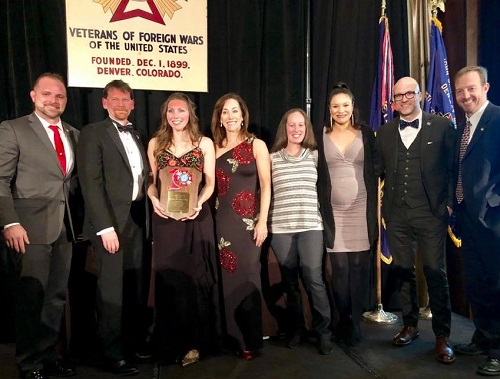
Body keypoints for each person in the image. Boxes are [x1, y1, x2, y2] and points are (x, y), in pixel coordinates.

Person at [0, 73, 79, 379]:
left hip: (64, 226)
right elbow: (1, 180)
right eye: (46, 94)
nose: (53, 100)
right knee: (32, 296)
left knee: (56, 295)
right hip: (28, 227)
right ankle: (28, 362)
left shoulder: (73, 133)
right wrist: (9, 221)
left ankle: (47, 354)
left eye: (59, 96)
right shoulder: (14, 129)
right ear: (33, 95)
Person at [374, 77, 456, 364]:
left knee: (436, 272)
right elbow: (375, 171)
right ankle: (409, 325)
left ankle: (442, 335)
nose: (404, 98)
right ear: (393, 101)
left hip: (431, 212)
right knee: (402, 270)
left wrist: (448, 205)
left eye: (409, 93)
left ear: (420, 95)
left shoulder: (442, 126)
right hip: (397, 214)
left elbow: (453, 168)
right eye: (398, 95)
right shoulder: (383, 133)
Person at [77, 79, 150, 376]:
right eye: (115, 99)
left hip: (136, 220)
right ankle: (111, 353)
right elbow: (90, 183)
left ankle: (131, 345)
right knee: (111, 291)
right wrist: (105, 227)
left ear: (133, 103)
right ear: (104, 102)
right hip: (110, 224)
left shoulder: (138, 134)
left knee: (134, 287)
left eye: (126, 100)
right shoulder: (93, 132)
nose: (121, 104)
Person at [146, 92, 217, 367]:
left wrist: (199, 202)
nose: (176, 116)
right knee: (169, 280)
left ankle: (195, 343)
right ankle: (169, 343)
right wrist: (153, 198)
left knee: (194, 279)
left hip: (196, 217)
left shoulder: (204, 143)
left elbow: (209, 182)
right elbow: (153, 183)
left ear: (191, 114)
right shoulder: (156, 143)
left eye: (182, 111)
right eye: (171, 111)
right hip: (165, 220)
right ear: (166, 114)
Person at [316, 83, 378, 347]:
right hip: (334, 213)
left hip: (361, 210)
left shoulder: (367, 133)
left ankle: (355, 322)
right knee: (339, 269)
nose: (341, 110)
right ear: (329, 110)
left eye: (345, 105)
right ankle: (343, 319)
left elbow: (378, 168)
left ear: (352, 107)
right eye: (335, 106)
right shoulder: (319, 135)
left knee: (358, 268)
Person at [268, 108, 334, 355]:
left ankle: (323, 332)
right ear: (284, 128)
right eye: (291, 125)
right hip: (282, 228)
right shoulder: (272, 157)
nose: (296, 130)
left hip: (310, 226)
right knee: (290, 281)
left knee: (314, 278)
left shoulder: (315, 156)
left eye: (301, 126)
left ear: (306, 129)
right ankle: (296, 329)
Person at [211, 93, 271, 360]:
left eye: (235, 111)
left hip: (248, 225)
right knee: (224, 280)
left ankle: (249, 340)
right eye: (225, 112)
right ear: (220, 117)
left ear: (243, 115)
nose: (231, 116)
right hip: (219, 223)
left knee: (248, 277)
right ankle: (229, 338)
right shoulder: (211, 147)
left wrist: (263, 221)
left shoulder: (256, 144)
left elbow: (266, 186)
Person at [452, 66, 500, 376]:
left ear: (486, 87)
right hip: (467, 220)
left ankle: (497, 352)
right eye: (459, 91)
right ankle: (484, 337)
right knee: (478, 283)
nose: (465, 95)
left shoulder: (497, 120)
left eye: (471, 88)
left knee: (497, 285)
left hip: (493, 221)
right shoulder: (463, 127)